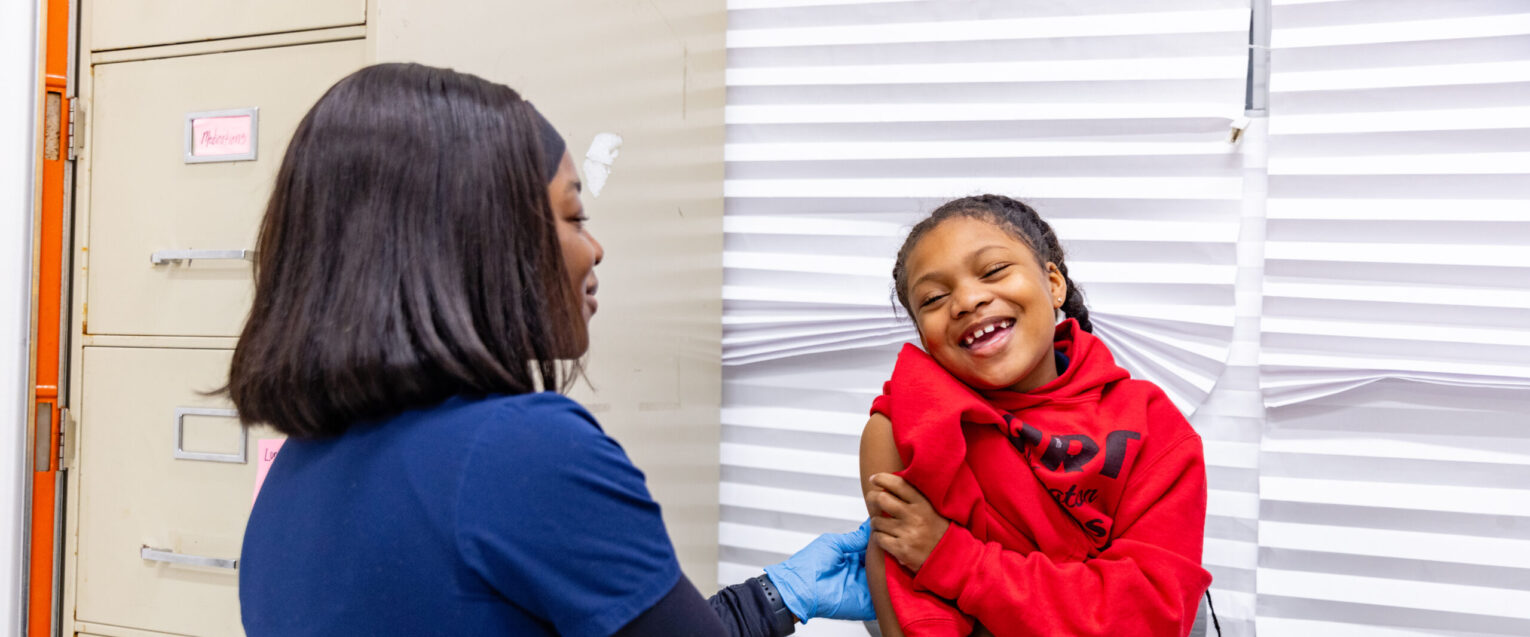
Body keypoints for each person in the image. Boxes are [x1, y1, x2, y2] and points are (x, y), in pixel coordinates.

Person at [230, 62, 872, 637]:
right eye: (573, 217)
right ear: (482, 236)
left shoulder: (296, 468)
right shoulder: (520, 449)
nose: (595, 250)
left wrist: (774, 597)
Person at [858, 195, 1212, 636]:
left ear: (1053, 283)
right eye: (933, 298)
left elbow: (1148, 616)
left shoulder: (1151, 424)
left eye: (992, 271)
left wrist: (953, 557)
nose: (967, 300)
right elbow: (916, 614)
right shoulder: (904, 429)